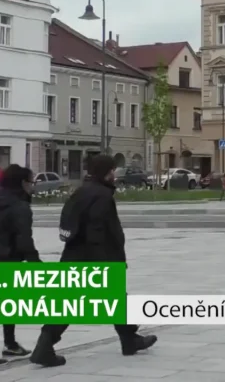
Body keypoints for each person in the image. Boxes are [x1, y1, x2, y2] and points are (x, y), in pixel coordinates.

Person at [29, 154, 157, 368]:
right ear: (106, 172)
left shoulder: (82, 191)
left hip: (74, 255)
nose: (114, 174)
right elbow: (97, 232)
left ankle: (129, 339)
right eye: (112, 170)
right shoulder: (101, 196)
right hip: (94, 258)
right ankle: (44, 348)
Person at [0, 164, 41, 366]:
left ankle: (10, 344)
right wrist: (36, 262)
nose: (33, 186)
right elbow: (24, 239)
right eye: (31, 182)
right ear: (22, 183)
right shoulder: (21, 207)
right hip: (4, 259)